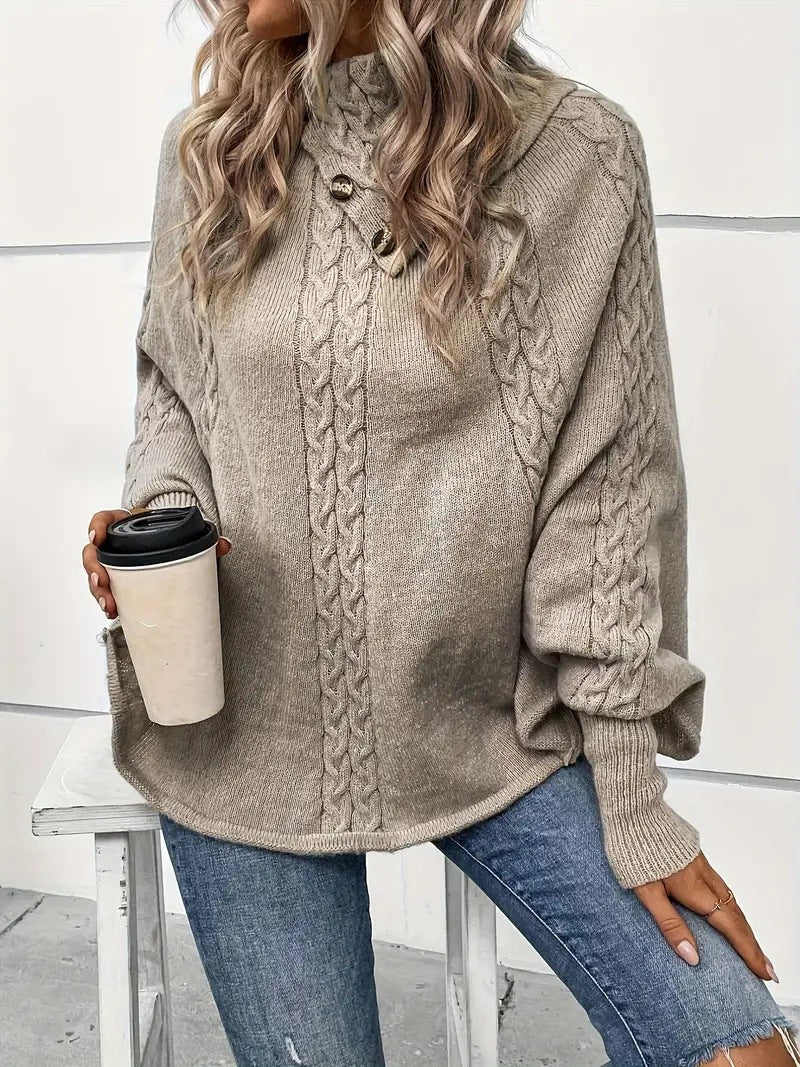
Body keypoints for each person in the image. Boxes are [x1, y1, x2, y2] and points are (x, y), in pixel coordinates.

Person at [82, 2, 799, 1064]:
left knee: (740, 1053)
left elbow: (604, 490)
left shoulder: (577, 156)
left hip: (487, 725)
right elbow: (175, 393)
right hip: (241, 734)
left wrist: (631, 793)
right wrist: (160, 509)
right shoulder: (211, 150)